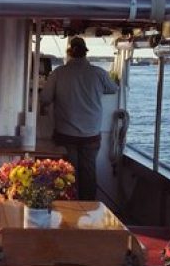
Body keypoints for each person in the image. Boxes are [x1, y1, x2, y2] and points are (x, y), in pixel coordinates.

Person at [39, 36, 118, 200]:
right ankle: (88, 210)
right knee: (88, 172)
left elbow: (45, 98)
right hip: (91, 134)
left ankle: (68, 209)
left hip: (66, 133)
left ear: (69, 53)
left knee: (67, 173)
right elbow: (113, 89)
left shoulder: (58, 73)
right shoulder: (98, 73)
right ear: (85, 53)